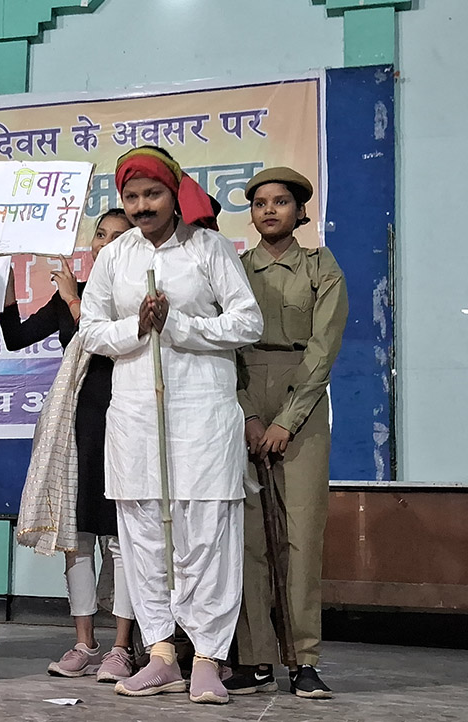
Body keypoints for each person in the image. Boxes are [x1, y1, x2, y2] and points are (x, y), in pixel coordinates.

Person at [79, 147, 263, 704]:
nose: (141, 207)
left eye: (151, 195)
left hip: (202, 415)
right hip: (135, 416)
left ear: (173, 194)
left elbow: (248, 321)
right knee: (143, 536)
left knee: (205, 532)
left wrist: (178, 324)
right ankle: (160, 653)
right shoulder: (114, 258)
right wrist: (137, 328)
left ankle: (207, 656)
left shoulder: (209, 249)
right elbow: (89, 331)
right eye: (131, 198)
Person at [226, 167, 348, 699]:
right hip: (243, 397)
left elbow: (323, 353)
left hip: (302, 402)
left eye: (281, 202)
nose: (269, 210)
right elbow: (226, 351)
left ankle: (303, 659)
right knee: (250, 539)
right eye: (259, 203)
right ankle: (253, 660)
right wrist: (250, 416)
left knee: (301, 537)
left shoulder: (323, 268)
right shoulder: (232, 268)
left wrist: (283, 421)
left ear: (300, 212)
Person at [8, 210, 142, 682]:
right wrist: (3, 271)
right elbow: (15, 335)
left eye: (118, 236)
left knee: (124, 540)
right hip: (77, 427)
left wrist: (72, 298)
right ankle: (84, 642)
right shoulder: (75, 294)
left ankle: (123, 647)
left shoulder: (139, 294)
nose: (105, 243)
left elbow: (114, 345)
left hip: (128, 423)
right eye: (100, 235)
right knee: (78, 537)